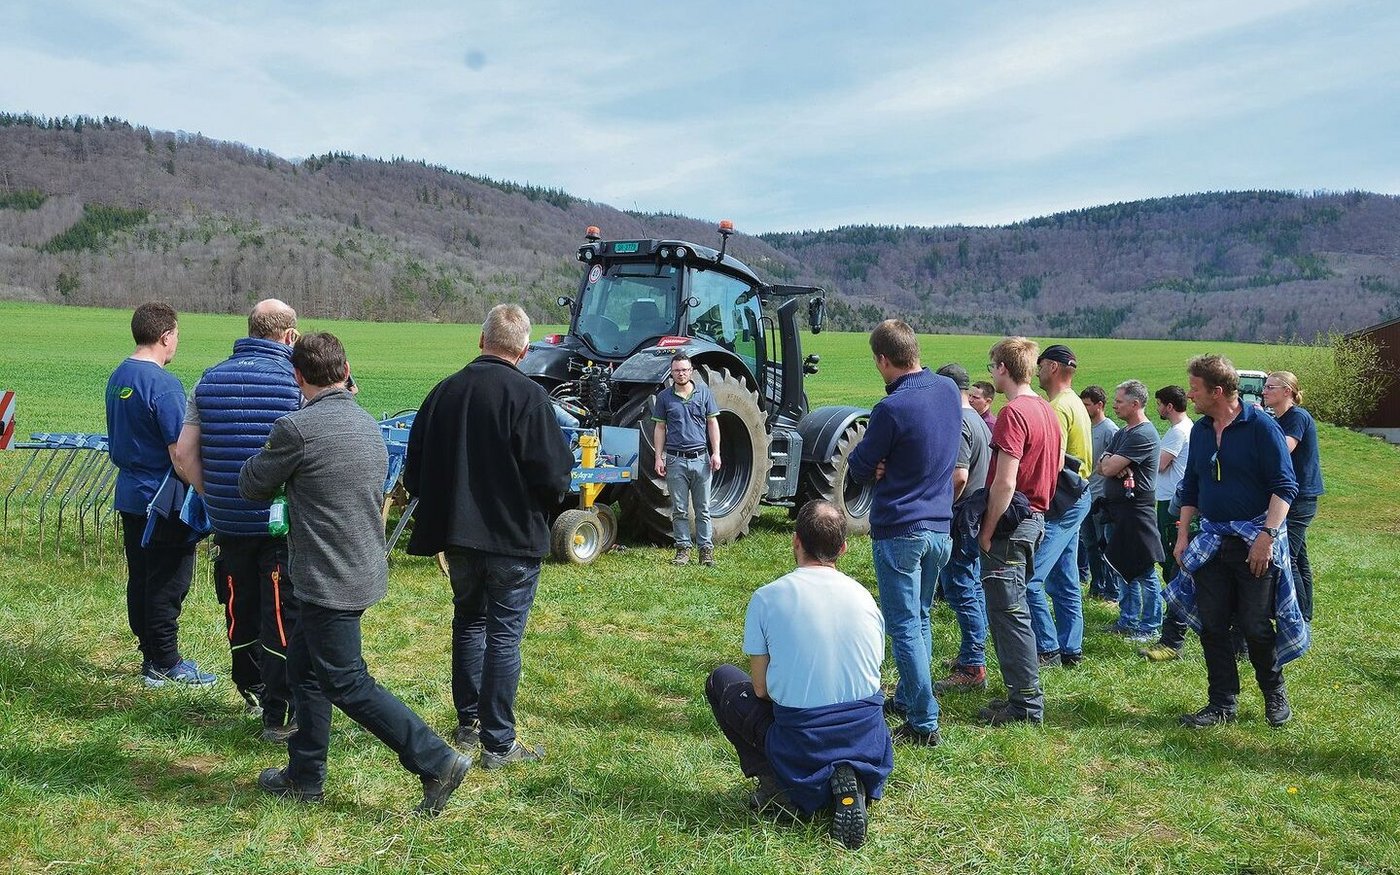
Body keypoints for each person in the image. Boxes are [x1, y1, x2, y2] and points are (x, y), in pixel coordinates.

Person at [241, 332, 471, 813]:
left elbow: (253, 485)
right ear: (346, 371)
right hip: (357, 568)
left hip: (327, 580)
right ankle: (304, 777)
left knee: (346, 682)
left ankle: (436, 760)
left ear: (298, 376)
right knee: (306, 673)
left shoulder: (296, 429)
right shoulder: (367, 424)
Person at [404, 304, 574, 767]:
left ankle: (468, 724)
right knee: (502, 635)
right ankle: (498, 742)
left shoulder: (443, 392)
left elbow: (413, 471)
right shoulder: (529, 397)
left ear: (481, 341)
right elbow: (556, 473)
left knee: (469, 623)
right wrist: (540, 506)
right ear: (523, 350)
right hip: (511, 538)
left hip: (458, 537)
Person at [705, 500, 894, 851]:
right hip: (867, 735)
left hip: (802, 740)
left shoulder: (767, 598)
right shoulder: (867, 599)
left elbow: (761, 690)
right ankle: (849, 776)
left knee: (722, 680)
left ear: (795, 542)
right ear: (843, 548)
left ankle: (779, 785)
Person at [173, 299, 301, 739]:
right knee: (280, 611)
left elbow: (184, 454)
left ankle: (249, 685)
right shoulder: (295, 382)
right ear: (289, 336)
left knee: (238, 603)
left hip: (228, 522)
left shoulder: (208, 380)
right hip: (279, 522)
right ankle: (279, 711)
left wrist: (217, 496)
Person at [1169, 354, 1301, 729]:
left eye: (1195, 389)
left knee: (1255, 624)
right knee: (1212, 625)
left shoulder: (1260, 426)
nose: (1190, 396)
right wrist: (1182, 535)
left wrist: (1266, 537)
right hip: (1211, 540)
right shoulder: (1200, 430)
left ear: (1218, 390)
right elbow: (1191, 485)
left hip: (1254, 540)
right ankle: (1221, 703)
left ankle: (1274, 692)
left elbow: (1284, 486)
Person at [847, 320, 960, 746]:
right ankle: (913, 694)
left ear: (882, 359)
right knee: (923, 616)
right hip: (940, 527)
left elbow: (859, 466)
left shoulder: (891, 409)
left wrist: (877, 465)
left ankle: (923, 720)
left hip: (901, 528)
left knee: (904, 625)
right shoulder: (948, 390)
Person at [105, 302, 215, 687]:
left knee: (141, 576)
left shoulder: (119, 375)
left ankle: (149, 655)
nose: (176, 344)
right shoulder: (164, 384)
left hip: (130, 493)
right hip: (163, 497)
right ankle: (167, 662)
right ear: (166, 336)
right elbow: (179, 453)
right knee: (170, 579)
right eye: (177, 336)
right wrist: (204, 493)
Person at [976, 337, 1060, 725]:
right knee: (1016, 610)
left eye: (993, 366)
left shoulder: (1013, 413)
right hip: (1037, 518)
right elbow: (1056, 467)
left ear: (1003, 369)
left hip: (1011, 526)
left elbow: (1005, 483)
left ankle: (1026, 705)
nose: (991, 372)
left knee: (1009, 615)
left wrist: (987, 530)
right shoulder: (1047, 410)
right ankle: (1022, 696)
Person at [1026, 344, 1093, 668]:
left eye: (1040, 366)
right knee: (1065, 578)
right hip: (1079, 495)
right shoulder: (1076, 402)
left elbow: (1051, 463)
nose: (1037, 371)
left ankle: (1048, 649)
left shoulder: (1056, 407)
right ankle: (1071, 648)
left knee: (1030, 580)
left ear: (1053, 368)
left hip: (1062, 500)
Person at [933, 363, 993, 694]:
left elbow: (959, 475)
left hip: (961, 515)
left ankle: (973, 665)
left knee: (961, 588)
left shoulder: (958, 423)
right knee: (969, 586)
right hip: (975, 513)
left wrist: (942, 506)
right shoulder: (980, 422)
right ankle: (971, 654)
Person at [1097, 381, 1164, 641]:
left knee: (1143, 568)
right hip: (1120, 510)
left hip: (1137, 511)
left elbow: (1110, 468)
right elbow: (1102, 463)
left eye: (1120, 401)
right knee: (1122, 565)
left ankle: (1149, 626)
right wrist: (1110, 461)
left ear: (1135, 404)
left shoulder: (1142, 434)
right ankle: (1127, 619)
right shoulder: (1124, 431)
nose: (1115, 405)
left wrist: (1111, 463)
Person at [1263, 371, 1323, 623]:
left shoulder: (1297, 416)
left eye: (1270, 387)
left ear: (1287, 391)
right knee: (1300, 557)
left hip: (1300, 497)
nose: (1264, 391)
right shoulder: (1279, 418)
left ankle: (1296, 618)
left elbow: (1284, 449)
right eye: (1264, 387)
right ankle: (1305, 614)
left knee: (1290, 558)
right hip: (1295, 494)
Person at [1139, 385, 1193, 660]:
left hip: (1172, 504)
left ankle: (1174, 625)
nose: (1157, 409)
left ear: (1169, 406)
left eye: (1159, 404)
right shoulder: (1185, 427)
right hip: (1173, 500)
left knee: (1172, 564)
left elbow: (1158, 465)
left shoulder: (1178, 431)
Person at [652, 352, 722, 566]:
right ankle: (683, 550)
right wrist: (658, 457)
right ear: (671, 373)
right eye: (676, 371)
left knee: (703, 508)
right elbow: (660, 428)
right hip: (675, 460)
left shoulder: (704, 393)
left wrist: (716, 452)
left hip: (700, 459)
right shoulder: (664, 397)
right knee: (679, 509)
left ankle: (705, 550)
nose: (681, 373)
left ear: (691, 372)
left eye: (684, 370)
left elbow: (712, 424)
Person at [1079, 385, 1120, 603]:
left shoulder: (1109, 430)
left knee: (1105, 544)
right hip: (1086, 495)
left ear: (1099, 405)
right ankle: (1096, 586)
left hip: (1102, 497)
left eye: (1087, 404)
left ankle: (1112, 592)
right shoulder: (1086, 427)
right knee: (1090, 544)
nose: (1084, 408)